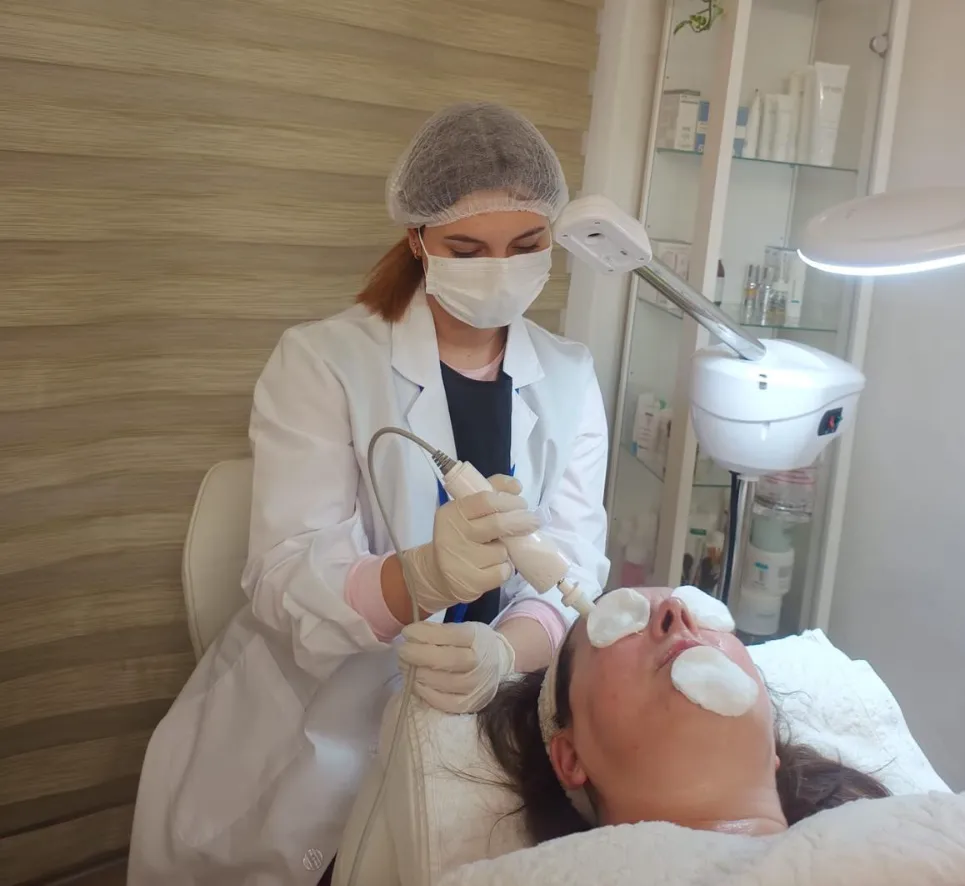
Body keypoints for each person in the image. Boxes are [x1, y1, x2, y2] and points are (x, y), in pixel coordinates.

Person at [127, 102, 610, 885]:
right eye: (467, 249)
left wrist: (505, 651)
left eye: (527, 245)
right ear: (419, 240)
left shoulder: (570, 375)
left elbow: (574, 560)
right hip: (317, 725)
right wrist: (420, 578)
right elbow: (286, 577)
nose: (500, 269)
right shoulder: (323, 361)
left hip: (488, 713)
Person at [479, 588, 888, 845]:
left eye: (704, 609)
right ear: (571, 757)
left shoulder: (898, 841)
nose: (676, 611)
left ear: (771, 742)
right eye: (620, 621)